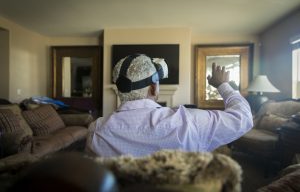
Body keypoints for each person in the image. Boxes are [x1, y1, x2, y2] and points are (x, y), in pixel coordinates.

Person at [87, 54, 253, 157]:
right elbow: (243, 118)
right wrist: (223, 85)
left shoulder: (96, 130)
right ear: (153, 87)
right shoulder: (190, 121)